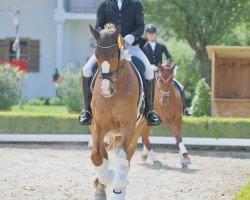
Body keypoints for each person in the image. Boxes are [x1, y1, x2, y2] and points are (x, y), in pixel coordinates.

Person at [79, 0, 161, 125]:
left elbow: (140, 27)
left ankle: (150, 111)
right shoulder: (104, 5)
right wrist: (106, 34)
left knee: (149, 71)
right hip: (108, 49)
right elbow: (98, 26)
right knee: (86, 70)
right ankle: (87, 110)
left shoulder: (136, 4)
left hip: (131, 47)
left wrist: (131, 37)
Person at [142, 24, 192, 116]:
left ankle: (185, 108)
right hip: (149, 71)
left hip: (161, 72)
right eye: (149, 34)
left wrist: (166, 65)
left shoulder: (161, 46)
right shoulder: (143, 47)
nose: (151, 35)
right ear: (147, 34)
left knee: (180, 86)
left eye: (152, 33)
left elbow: (169, 57)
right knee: (143, 87)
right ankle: (144, 107)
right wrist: (150, 66)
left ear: (155, 34)